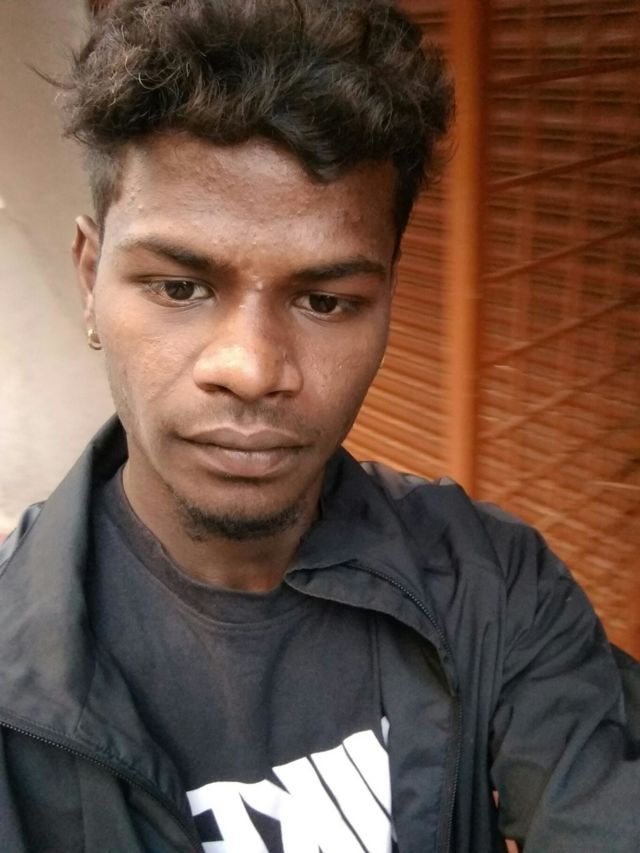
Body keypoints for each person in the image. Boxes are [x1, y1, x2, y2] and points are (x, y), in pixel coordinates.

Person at [1, 0, 638, 850]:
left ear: (387, 302)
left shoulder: (494, 585)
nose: (252, 368)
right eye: (180, 287)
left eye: (327, 300)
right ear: (90, 278)